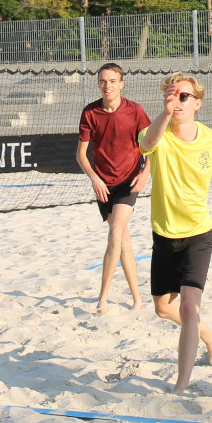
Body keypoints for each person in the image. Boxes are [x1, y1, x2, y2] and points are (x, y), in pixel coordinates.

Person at [138, 73, 212, 392]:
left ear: (197, 104)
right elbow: (146, 144)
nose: (176, 101)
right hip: (164, 235)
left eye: (183, 97)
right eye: (171, 95)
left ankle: (181, 384)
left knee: (187, 306)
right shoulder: (157, 131)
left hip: (199, 234)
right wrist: (165, 113)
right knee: (162, 307)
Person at [76, 63, 151, 314]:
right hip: (103, 185)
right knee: (124, 240)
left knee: (116, 230)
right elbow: (81, 155)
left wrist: (144, 174)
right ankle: (138, 299)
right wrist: (94, 178)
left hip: (129, 181)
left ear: (121, 84)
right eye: (102, 81)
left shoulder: (135, 111)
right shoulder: (90, 113)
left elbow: (152, 147)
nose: (107, 85)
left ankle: (103, 297)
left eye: (112, 81)